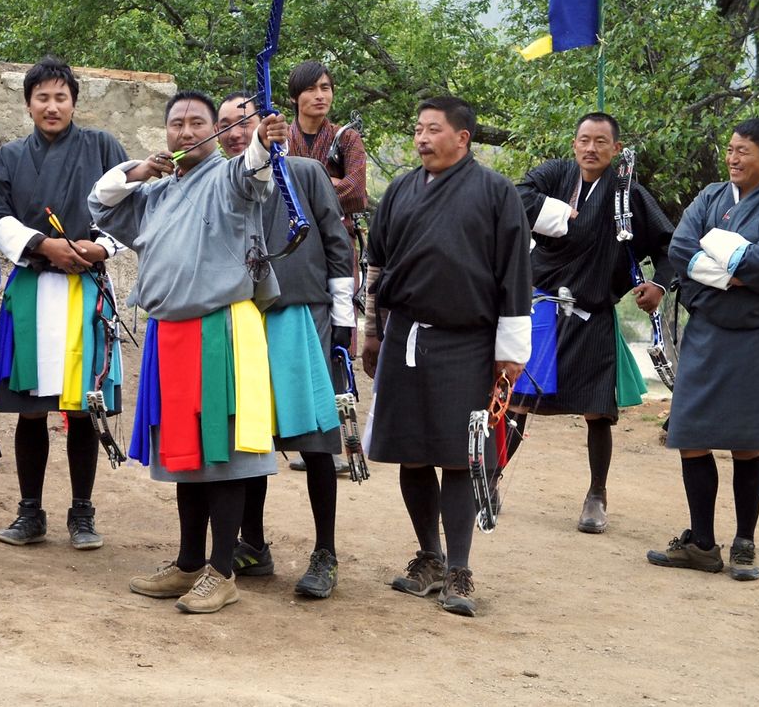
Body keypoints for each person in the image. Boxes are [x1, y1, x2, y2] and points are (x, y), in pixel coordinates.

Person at [90, 90, 285, 614]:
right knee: (186, 452)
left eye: (198, 122)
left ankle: (222, 573)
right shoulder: (156, 193)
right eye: (176, 123)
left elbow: (255, 172)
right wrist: (140, 170)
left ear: (215, 130)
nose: (186, 131)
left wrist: (264, 141)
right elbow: (100, 204)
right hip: (171, 334)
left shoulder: (229, 176)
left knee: (222, 453)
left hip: (219, 328)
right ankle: (189, 562)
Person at [362, 96, 530, 618]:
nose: (421, 138)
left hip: (469, 341)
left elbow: (515, 275)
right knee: (411, 451)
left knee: (460, 456)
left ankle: (459, 568)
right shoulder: (400, 190)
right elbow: (376, 264)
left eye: (432, 129)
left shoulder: (496, 192)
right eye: (418, 129)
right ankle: (429, 557)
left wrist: (510, 352)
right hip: (405, 336)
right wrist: (371, 332)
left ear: (462, 137)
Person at [648, 118, 759, 580]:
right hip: (707, 331)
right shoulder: (710, 197)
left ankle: (744, 545)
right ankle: (702, 544)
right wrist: (732, 272)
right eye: (731, 149)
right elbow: (682, 247)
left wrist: (726, 259)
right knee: (691, 437)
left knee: (747, 441)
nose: (733, 158)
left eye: (744, 151)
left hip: (758, 335)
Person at [215, 91, 354, 599]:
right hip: (240, 317)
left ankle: (325, 553)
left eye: (245, 120)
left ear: (268, 122)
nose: (235, 131)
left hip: (301, 313)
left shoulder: (306, 173)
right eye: (225, 123)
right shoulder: (218, 181)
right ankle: (252, 544)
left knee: (314, 439)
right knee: (251, 436)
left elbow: (337, 244)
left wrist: (342, 322)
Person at [509, 112, 675, 533]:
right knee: (517, 403)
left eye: (601, 142)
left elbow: (668, 244)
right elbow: (515, 197)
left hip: (593, 311)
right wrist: (558, 213)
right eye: (584, 140)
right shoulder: (555, 174)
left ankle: (597, 495)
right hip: (543, 308)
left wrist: (658, 284)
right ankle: (490, 479)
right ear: (574, 143)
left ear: (616, 149)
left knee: (599, 411)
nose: (591, 148)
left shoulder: (627, 195)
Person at [0, 57, 127, 550]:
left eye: (60, 97)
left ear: (73, 102)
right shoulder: (9, 157)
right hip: (32, 287)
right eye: (42, 97)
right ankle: (29, 512)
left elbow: (128, 208)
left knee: (83, 406)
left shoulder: (103, 146)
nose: (52, 106)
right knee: (31, 408)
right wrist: (44, 245)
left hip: (86, 289)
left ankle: (82, 514)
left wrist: (100, 248)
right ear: (28, 104)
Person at [285, 61, 367, 476]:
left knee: (338, 339)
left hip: (336, 248)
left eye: (327, 87)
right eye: (312, 88)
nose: (321, 95)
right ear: (294, 96)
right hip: (290, 250)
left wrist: (306, 186)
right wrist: (323, 185)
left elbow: (356, 192)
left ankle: (336, 442)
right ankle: (303, 435)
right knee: (296, 339)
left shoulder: (346, 137)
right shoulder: (281, 137)